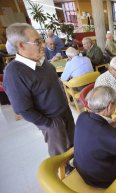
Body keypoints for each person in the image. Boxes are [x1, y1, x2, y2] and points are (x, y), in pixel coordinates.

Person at [3, 23, 74, 157]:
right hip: (52, 122)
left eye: (41, 40)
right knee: (62, 157)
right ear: (21, 45)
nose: (43, 45)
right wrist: (49, 124)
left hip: (65, 113)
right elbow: (23, 110)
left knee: (75, 146)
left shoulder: (42, 61)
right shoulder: (14, 73)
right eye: (37, 42)